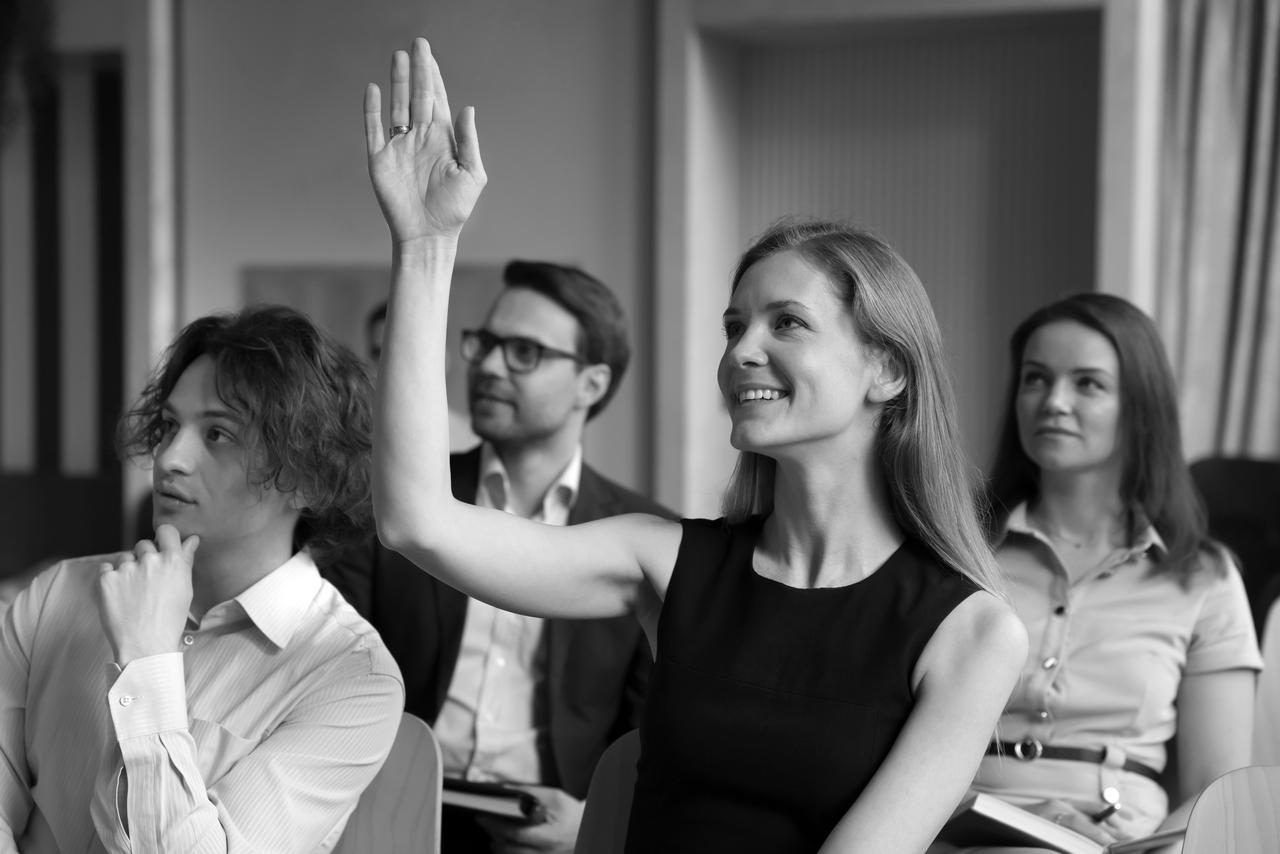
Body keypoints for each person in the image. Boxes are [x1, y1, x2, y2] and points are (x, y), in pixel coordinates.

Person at [362, 38, 1026, 853]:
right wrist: (425, 248)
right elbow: (417, 522)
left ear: (885, 369)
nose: (742, 350)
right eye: (735, 325)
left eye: (787, 323)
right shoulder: (666, 561)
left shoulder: (973, 632)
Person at [0, 305, 404, 852]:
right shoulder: (57, 594)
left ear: (309, 479)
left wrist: (146, 661)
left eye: (217, 433)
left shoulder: (352, 678)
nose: (170, 457)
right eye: (169, 425)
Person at [325, 260, 672, 853]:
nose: (486, 366)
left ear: (592, 383)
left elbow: (652, 727)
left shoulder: (640, 537)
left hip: (552, 828)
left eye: (524, 353)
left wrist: (591, 819)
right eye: (484, 343)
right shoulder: (395, 501)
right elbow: (329, 664)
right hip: (395, 809)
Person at [948, 293, 1261, 851]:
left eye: (1088, 384)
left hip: (1126, 840)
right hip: (959, 828)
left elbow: (1217, 788)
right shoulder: (954, 549)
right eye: (1035, 379)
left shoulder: (1204, 578)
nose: (1054, 402)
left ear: (1140, 407)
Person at [365, 300, 478, 451]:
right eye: (379, 354)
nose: (389, 367)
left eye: (405, 351)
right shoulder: (352, 442)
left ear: (443, 359)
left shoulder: (476, 443)